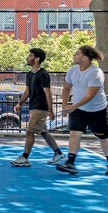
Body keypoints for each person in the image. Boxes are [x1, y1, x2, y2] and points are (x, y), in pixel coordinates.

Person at [57, 45, 108, 175]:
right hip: (78, 110)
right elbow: (66, 88)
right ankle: (70, 163)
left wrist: (72, 107)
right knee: (74, 133)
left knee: (102, 137)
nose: (74, 55)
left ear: (85, 58)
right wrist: (64, 106)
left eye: (77, 54)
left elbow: (89, 96)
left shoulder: (96, 73)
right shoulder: (72, 70)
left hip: (97, 110)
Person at [10, 48, 65, 167]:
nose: (27, 57)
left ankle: (25, 158)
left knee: (29, 131)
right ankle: (58, 153)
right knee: (43, 132)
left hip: (41, 107)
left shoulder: (43, 74)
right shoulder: (30, 74)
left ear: (37, 59)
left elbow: (47, 92)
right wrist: (19, 103)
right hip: (33, 107)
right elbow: (27, 91)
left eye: (30, 55)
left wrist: (50, 110)